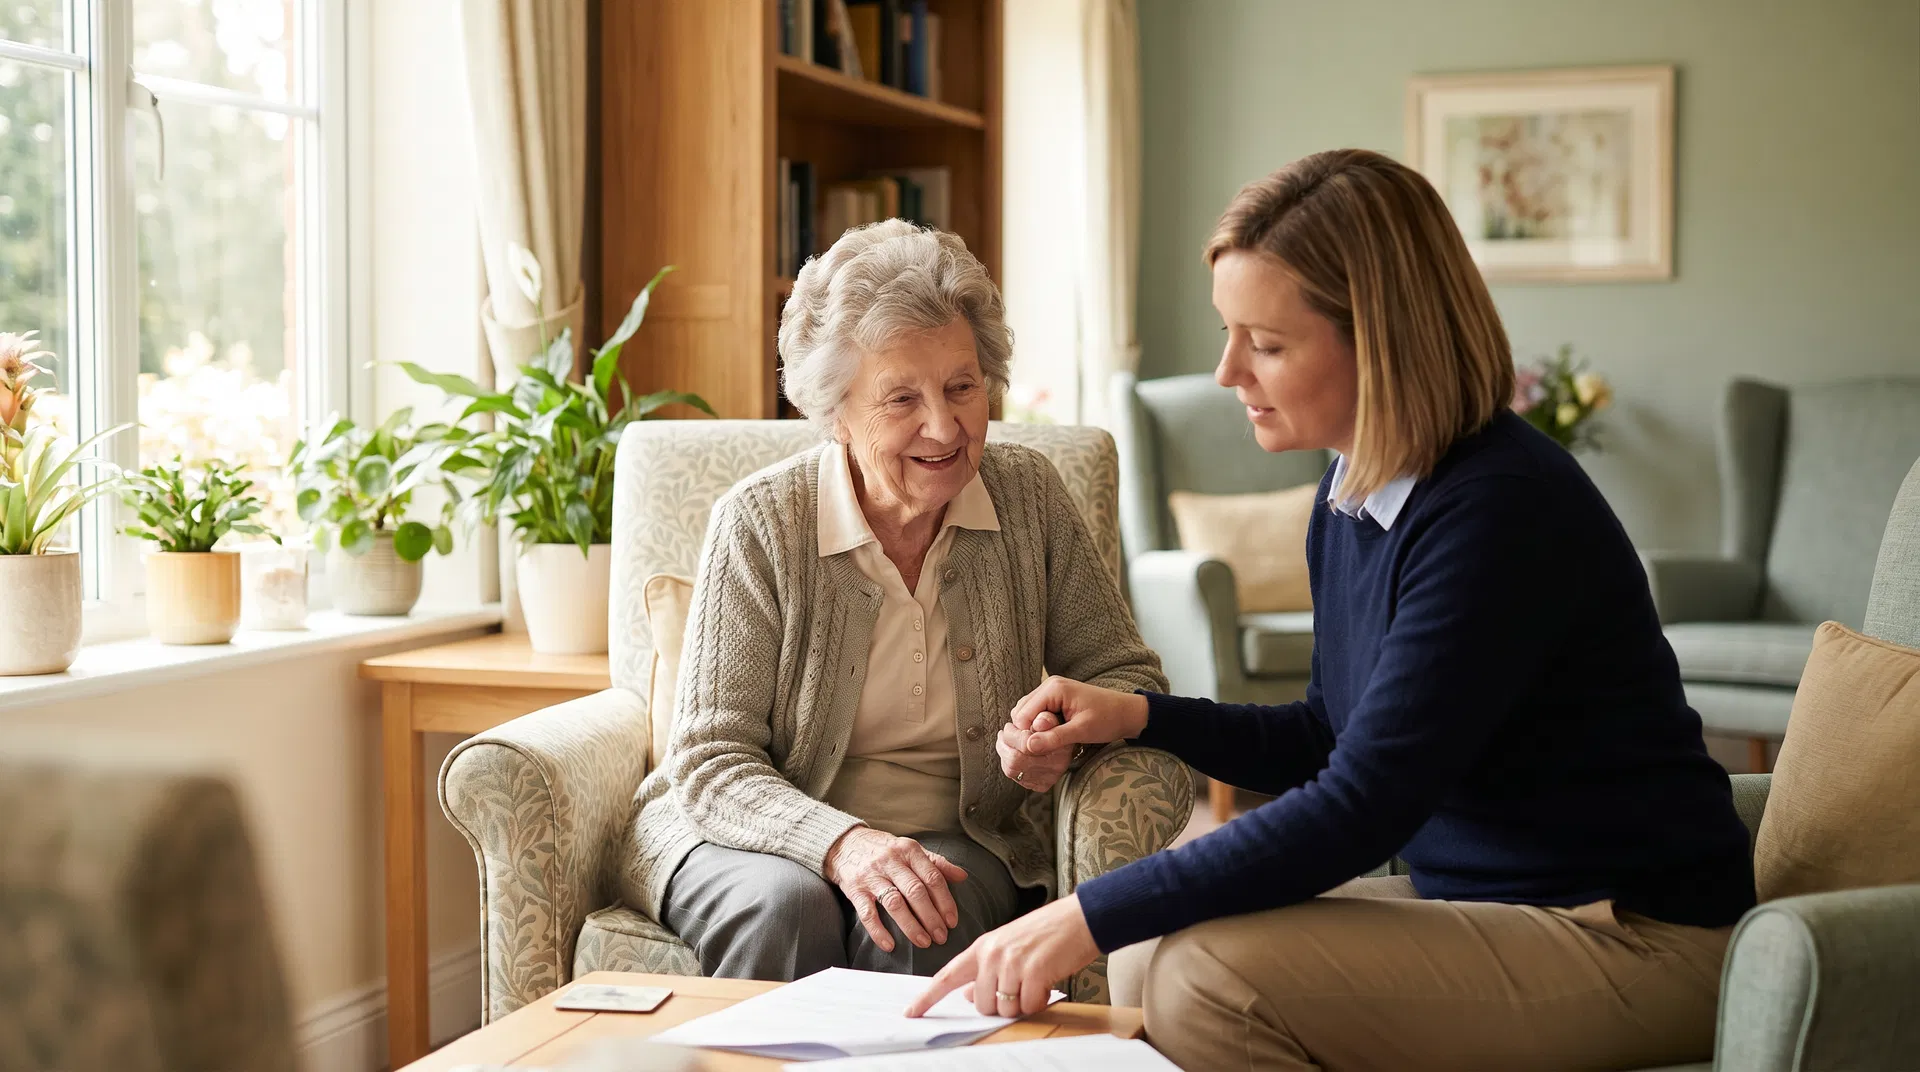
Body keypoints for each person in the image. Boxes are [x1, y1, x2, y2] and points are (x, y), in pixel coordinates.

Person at [907, 149, 1755, 1071]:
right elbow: (1329, 731)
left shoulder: (1499, 511)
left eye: (1265, 343)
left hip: (1635, 933)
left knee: (1206, 979)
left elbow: (1361, 807)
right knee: (1153, 951)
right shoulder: (1356, 490)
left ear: (1382, 342)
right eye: (1231, 334)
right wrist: (1143, 717)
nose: (1229, 371)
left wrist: (1081, 915)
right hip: (1503, 903)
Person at [616, 220, 1167, 983]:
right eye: (901, 397)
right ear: (836, 412)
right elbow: (711, 762)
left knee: (924, 912)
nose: (944, 427)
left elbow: (1129, 680)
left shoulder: (1031, 498)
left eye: (962, 387)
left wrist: (1066, 735)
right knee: (786, 906)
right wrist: (842, 845)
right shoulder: (761, 523)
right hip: (748, 835)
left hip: (955, 832)